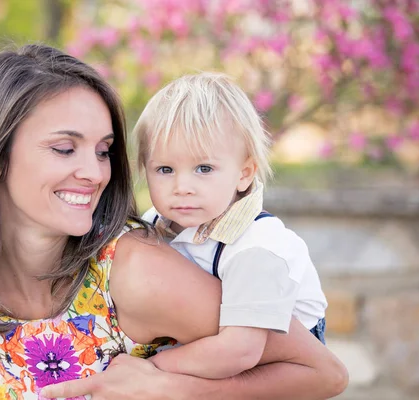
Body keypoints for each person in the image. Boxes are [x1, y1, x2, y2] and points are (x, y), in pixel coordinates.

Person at [0, 43, 348, 400]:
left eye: (103, 151)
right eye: (65, 149)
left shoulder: (136, 272)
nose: (95, 172)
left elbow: (323, 373)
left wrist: (169, 385)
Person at [127, 72, 328, 379]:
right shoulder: (157, 222)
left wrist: (149, 369)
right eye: (165, 169)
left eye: (203, 168)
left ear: (244, 173)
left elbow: (240, 351)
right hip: (210, 351)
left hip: (273, 367)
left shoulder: (258, 248)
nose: (182, 186)